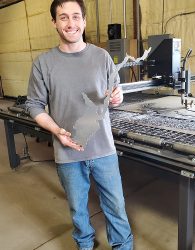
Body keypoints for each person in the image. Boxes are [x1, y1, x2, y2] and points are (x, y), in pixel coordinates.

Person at [25, 0, 133, 249]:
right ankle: (84, 244)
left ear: (84, 21)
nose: (70, 23)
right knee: (78, 208)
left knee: (115, 205)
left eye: (76, 17)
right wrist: (56, 132)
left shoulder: (102, 57)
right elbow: (34, 105)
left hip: (104, 149)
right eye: (63, 17)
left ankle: (123, 245)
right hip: (67, 151)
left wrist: (118, 96)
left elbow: (115, 91)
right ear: (54, 22)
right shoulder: (43, 64)